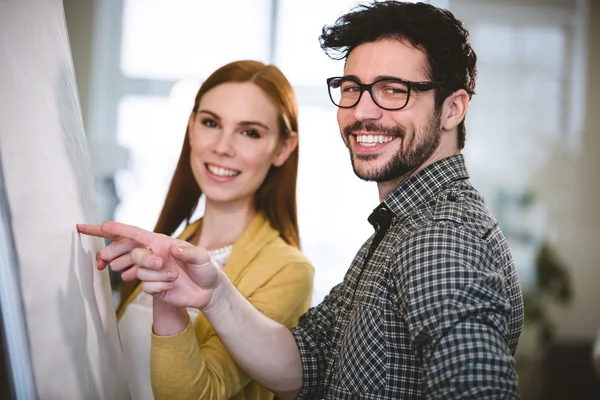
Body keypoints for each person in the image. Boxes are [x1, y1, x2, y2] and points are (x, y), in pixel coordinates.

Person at [79, 2, 524, 398]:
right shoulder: (397, 229)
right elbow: (304, 363)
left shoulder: (438, 238)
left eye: (393, 89)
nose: (363, 111)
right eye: (352, 87)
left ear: (453, 108)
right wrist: (214, 295)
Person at [80, 60, 314, 400]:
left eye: (249, 132)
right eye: (211, 123)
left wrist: (167, 298)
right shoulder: (170, 244)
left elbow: (201, 393)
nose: (222, 146)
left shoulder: (290, 271)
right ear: (191, 128)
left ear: (283, 147)